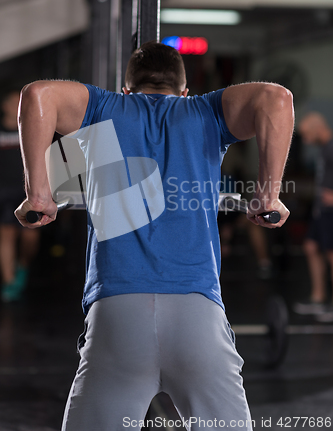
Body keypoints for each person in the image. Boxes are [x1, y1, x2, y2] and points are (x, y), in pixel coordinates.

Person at [15, 42, 293, 431]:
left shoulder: (103, 109)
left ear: (127, 90)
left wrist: (39, 195)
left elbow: (37, 95)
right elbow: (276, 98)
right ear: (184, 91)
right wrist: (270, 194)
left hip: (117, 314)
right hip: (198, 315)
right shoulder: (204, 111)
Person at [0, 89, 40, 302]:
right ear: (4, 106)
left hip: (29, 192)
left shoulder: (33, 128)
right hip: (3, 192)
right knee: (6, 235)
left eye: (21, 103)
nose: (18, 107)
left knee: (30, 237)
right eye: (14, 102)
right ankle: (8, 282)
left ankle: (22, 267)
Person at [294, 112, 333, 322]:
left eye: (307, 135)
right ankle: (318, 298)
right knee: (310, 246)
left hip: (330, 210)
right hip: (322, 211)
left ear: (318, 129)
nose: (306, 141)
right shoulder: (324, 149)